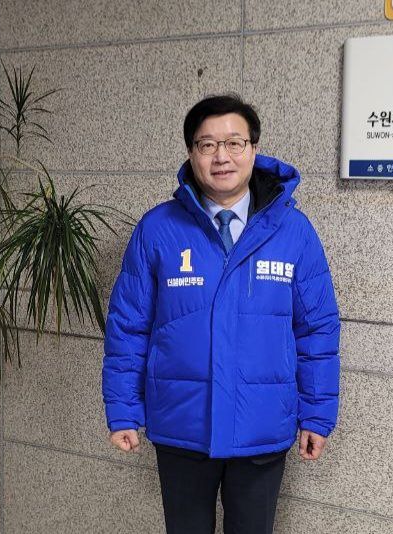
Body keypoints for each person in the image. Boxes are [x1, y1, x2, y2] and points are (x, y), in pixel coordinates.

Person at [102, 93, 340, 534]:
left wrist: (316, 414)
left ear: (253, 149)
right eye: (207, 144)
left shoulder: (294, 232)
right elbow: (128, 327)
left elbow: (317, 331)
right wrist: (122, 408)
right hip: (182, 424)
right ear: (191, 153)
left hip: (262, 425)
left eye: (234, 143)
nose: (221, 157)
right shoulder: (158, 229)